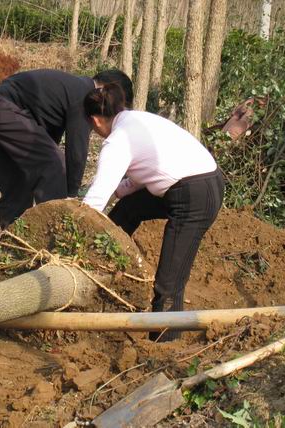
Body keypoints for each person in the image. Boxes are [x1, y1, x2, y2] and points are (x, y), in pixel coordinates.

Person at [82, 84, 225, 342]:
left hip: (194, 196)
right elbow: (146, 169)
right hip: (199, 182)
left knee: (169, 280)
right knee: (129, 207)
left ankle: (164, 344)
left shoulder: (117, 141)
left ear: (95, 120)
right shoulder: (137, 119)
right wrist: (121, 190)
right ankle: (100, 256)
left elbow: (96, 198)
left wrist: (77, 233)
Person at [0, 69, 133, 229]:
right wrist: (70, 196)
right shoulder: (85, 94)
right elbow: (76, 152)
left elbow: (48, 142)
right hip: (4, 109)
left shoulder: (69, 89)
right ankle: (57, 233)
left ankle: (13, 242)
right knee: (54, 166)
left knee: (17, 184)